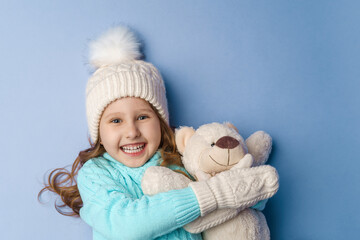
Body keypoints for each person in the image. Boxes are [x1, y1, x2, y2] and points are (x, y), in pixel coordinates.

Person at [39, 26, 279, 240]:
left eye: (143, 117)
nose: (132, 131)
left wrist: (248, 189)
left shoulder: (179, 158)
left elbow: (249, 199)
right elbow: (125, 226)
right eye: (115, 121)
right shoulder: (96, 175)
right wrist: (214, 194)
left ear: (161, 121)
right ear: (99, 132)